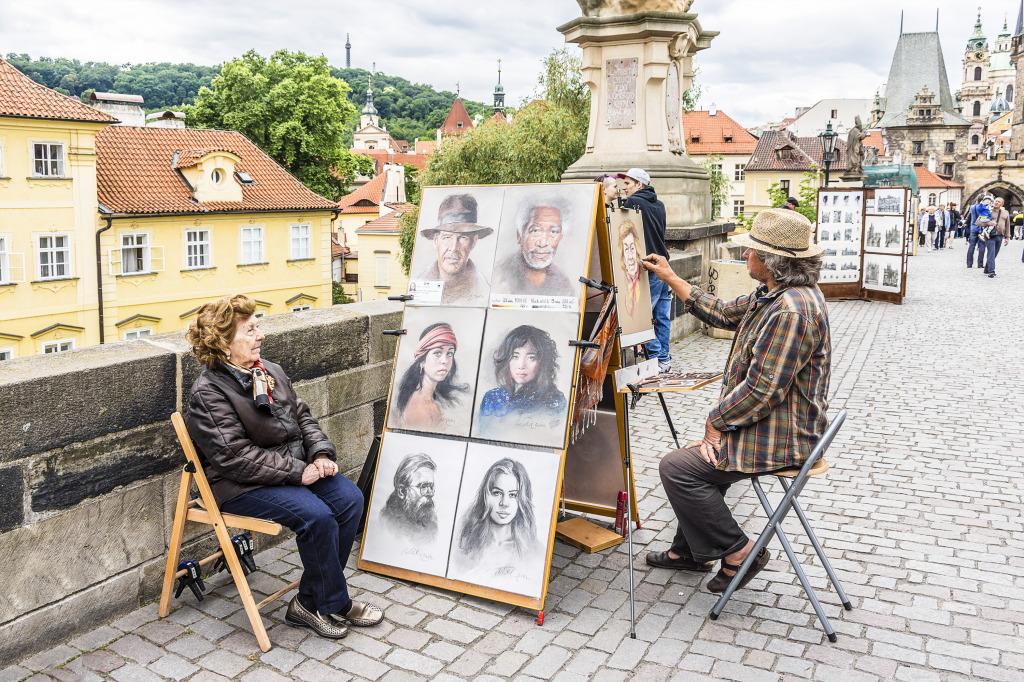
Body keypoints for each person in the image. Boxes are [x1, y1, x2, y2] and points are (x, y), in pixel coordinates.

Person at [640, 209, 831, 594]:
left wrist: (716, 422)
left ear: (773, 262)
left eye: (752, 251)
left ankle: (740, 551)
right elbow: (724, 313)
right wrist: (671, 277)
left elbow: (763, 390)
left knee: (679, 468)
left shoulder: (791, 311)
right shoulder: (775, 294)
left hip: (783, 435)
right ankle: (689, 553)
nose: (746, 256)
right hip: (770, 423)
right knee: (701, 464)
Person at [184, 294, 384, 639]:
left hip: (288, 470)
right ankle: (333, 602)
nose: (260, 335)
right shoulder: (208, 393)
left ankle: (310, 601)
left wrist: (321, 454)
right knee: (317, 516)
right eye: (250, 330)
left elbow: (303, 417)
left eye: (257, 327)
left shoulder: (267, 370)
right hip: (240, 485)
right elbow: (234, 457)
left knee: (350, 499)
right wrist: (296, 471)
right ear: (223, 343)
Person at [619, 167, 672, 372]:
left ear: (639, 185)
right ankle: (664, 359)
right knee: (661, 316)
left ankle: (658, 357)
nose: (624, 188)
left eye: (628, 184)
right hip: (663, 265)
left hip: (646, 267)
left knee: (641, 319)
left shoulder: (634, 203)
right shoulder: (659, 205)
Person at [454, 457, 539, 567]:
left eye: (513, 495)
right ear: (485, 496)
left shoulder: (531, 550)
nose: (504, 503)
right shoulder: (465, 543)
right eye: (497, 493)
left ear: (522, 500)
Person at [417, 194, 494, 305]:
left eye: (463, 238)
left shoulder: (485, 290)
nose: (453, 248)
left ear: (473, 242)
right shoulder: (419, 283)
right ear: (435, 242)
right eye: (447, 237)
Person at [478, 324, 567, 422]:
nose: (521, 366)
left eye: (531, 358)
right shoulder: (492, 397)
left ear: (542, 362)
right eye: (515, 357)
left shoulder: (553, 400)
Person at [392, 322, 469, 432]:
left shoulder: (429, 400)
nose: (445, 360)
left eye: (450, 353)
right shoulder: (419, 407)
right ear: (422, 360)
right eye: (438, 353)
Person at [492, 197, 574, 296]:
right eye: (535, 231)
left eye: (553, 232)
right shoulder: (498, 276)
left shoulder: (564, 284)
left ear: (560, 236)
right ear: (520, 235)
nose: (543, 243)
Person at [380, 453, 438, 542]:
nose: (430, 493)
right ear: (402, 491)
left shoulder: (431, 519)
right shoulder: (387, 523)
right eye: (424, 486)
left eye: (431, 486)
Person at [618, 219, 643, 318]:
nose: (630, 256)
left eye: (632, 248)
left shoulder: (642, 281)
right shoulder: (622, 281)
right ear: (622, 256)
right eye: (626, 249)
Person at [982, 197, 1010, 278]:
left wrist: (1007, 237)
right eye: (996, 201)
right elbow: (978, 222)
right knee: (991, 252)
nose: (996, 202)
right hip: (989, 235)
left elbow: (1007, 225)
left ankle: (987, 268)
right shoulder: (987, 210)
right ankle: (991, 271)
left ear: (1002, 204)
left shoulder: (1005, 213)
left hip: (1000, 236)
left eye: (999, 202)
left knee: (994, 253)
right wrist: (988, 223)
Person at [967, 195, 995, 268]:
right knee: (982, 246)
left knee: (971, 245)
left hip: (973, 227)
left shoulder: (972, 207)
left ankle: (969, 263)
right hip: (982, 227)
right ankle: (980, 264)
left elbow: (970, 216)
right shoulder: (986, 207)